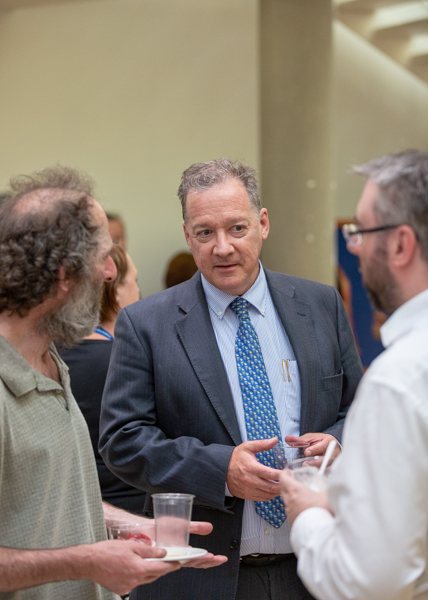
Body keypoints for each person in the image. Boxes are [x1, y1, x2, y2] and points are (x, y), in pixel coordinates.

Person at [99, 158, 363, 600]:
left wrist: (339, 443)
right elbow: (122, 439)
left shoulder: (321, 306)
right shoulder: (147, 324)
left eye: (237, 228)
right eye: (205, 232)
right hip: (202, 577)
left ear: (263, 224)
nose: (222, 247)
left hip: (316, 571)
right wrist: (220, 471)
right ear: (188, 235)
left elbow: (361, 410)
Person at [0, 166, 226, 599]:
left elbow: (52, 501)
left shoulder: (50, 359)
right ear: (64, 273)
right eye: (103, 257)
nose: (110, 273)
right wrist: (84, 561)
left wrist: (131, 525)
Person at [280, 149, 428, 600]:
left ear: (401, 244)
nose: (352, 246)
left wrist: (308, 514)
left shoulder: (398, 380)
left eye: (360, 230)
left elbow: (368, 582)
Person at [61, 244, 145, 513]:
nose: (139, 292)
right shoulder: (123, 361)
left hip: (75, 504)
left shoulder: (52, 353)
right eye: (134, 281)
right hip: (130, 507)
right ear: (116, 290)